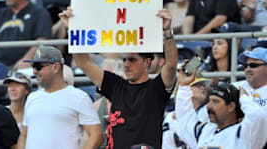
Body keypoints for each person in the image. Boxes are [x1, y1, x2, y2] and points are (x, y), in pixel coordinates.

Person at [59, 8, 178, 149]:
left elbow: (171, 65)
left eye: (132, 60)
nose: (127, 64)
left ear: (147, 62)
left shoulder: (156, 88)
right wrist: (74, 30)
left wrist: (167, 32)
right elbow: (83, 63)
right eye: (125, 60)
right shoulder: (116, 85)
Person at [18, 46, 103, 149]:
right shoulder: (32, 97)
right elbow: (24, 135)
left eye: (39, 66)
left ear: (56, 67)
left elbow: (96, 135)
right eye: (33, 67)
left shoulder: (79, 97)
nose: (34, 71)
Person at [175, 67, 267, 149]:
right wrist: (184, 86)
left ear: (231, 106)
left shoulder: (244, 133)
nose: (209, 106)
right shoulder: (204, 130)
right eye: (210, 101)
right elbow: (184, 118)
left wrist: (243, 98)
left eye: (215, 102)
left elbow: (258, 116)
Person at [162, 77, 210, 149]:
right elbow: (167, 145)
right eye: (197, 85)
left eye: (203, 85)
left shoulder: (211, 113)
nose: (203, 87)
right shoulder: (171, 117)